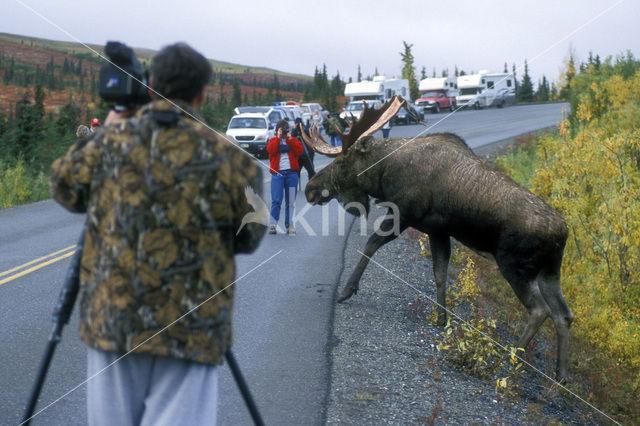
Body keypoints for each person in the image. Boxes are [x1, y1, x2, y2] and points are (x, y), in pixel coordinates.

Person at [50, 42, 265, 425]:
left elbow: (65, 186)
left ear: (149, 87)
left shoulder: (109, 145)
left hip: (113, 324)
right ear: (202, 93)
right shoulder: (234, 161)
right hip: (192, 328)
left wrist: (112, 126)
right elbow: (249, 237)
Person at [266, 119, 304, 235]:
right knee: (276, 201)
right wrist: (278, 138)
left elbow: (299, 151)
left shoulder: (292, 140)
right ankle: (272, 225)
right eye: (282, 130)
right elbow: (271, 151)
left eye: (286, 129)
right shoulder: (272, 140)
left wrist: (290, 139)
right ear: (277, 130)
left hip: (291, 174)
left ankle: (290, 225)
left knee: (291, 201)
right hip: (277, 174)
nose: (284, 132)